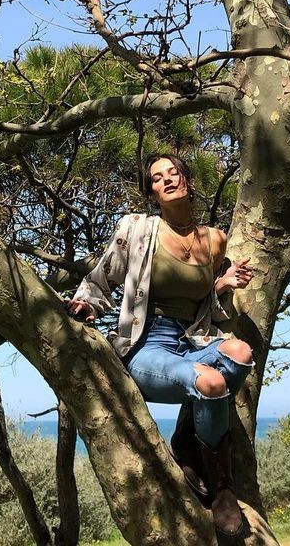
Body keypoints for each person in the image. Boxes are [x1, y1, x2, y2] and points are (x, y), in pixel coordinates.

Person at [66, 153, 255, 537]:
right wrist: (85, 303)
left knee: (240, 353)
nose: (167, 180)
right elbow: (103, 279)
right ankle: (222, 490)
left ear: (186, 179)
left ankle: (187, 441)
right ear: (151, 192)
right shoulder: (136, 229)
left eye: (173, 172)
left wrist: (222, 284)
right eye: (157, 178)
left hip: (193, 341)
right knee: (212, 383)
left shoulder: (215, 240)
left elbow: (209, 312)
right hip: (147, 347)